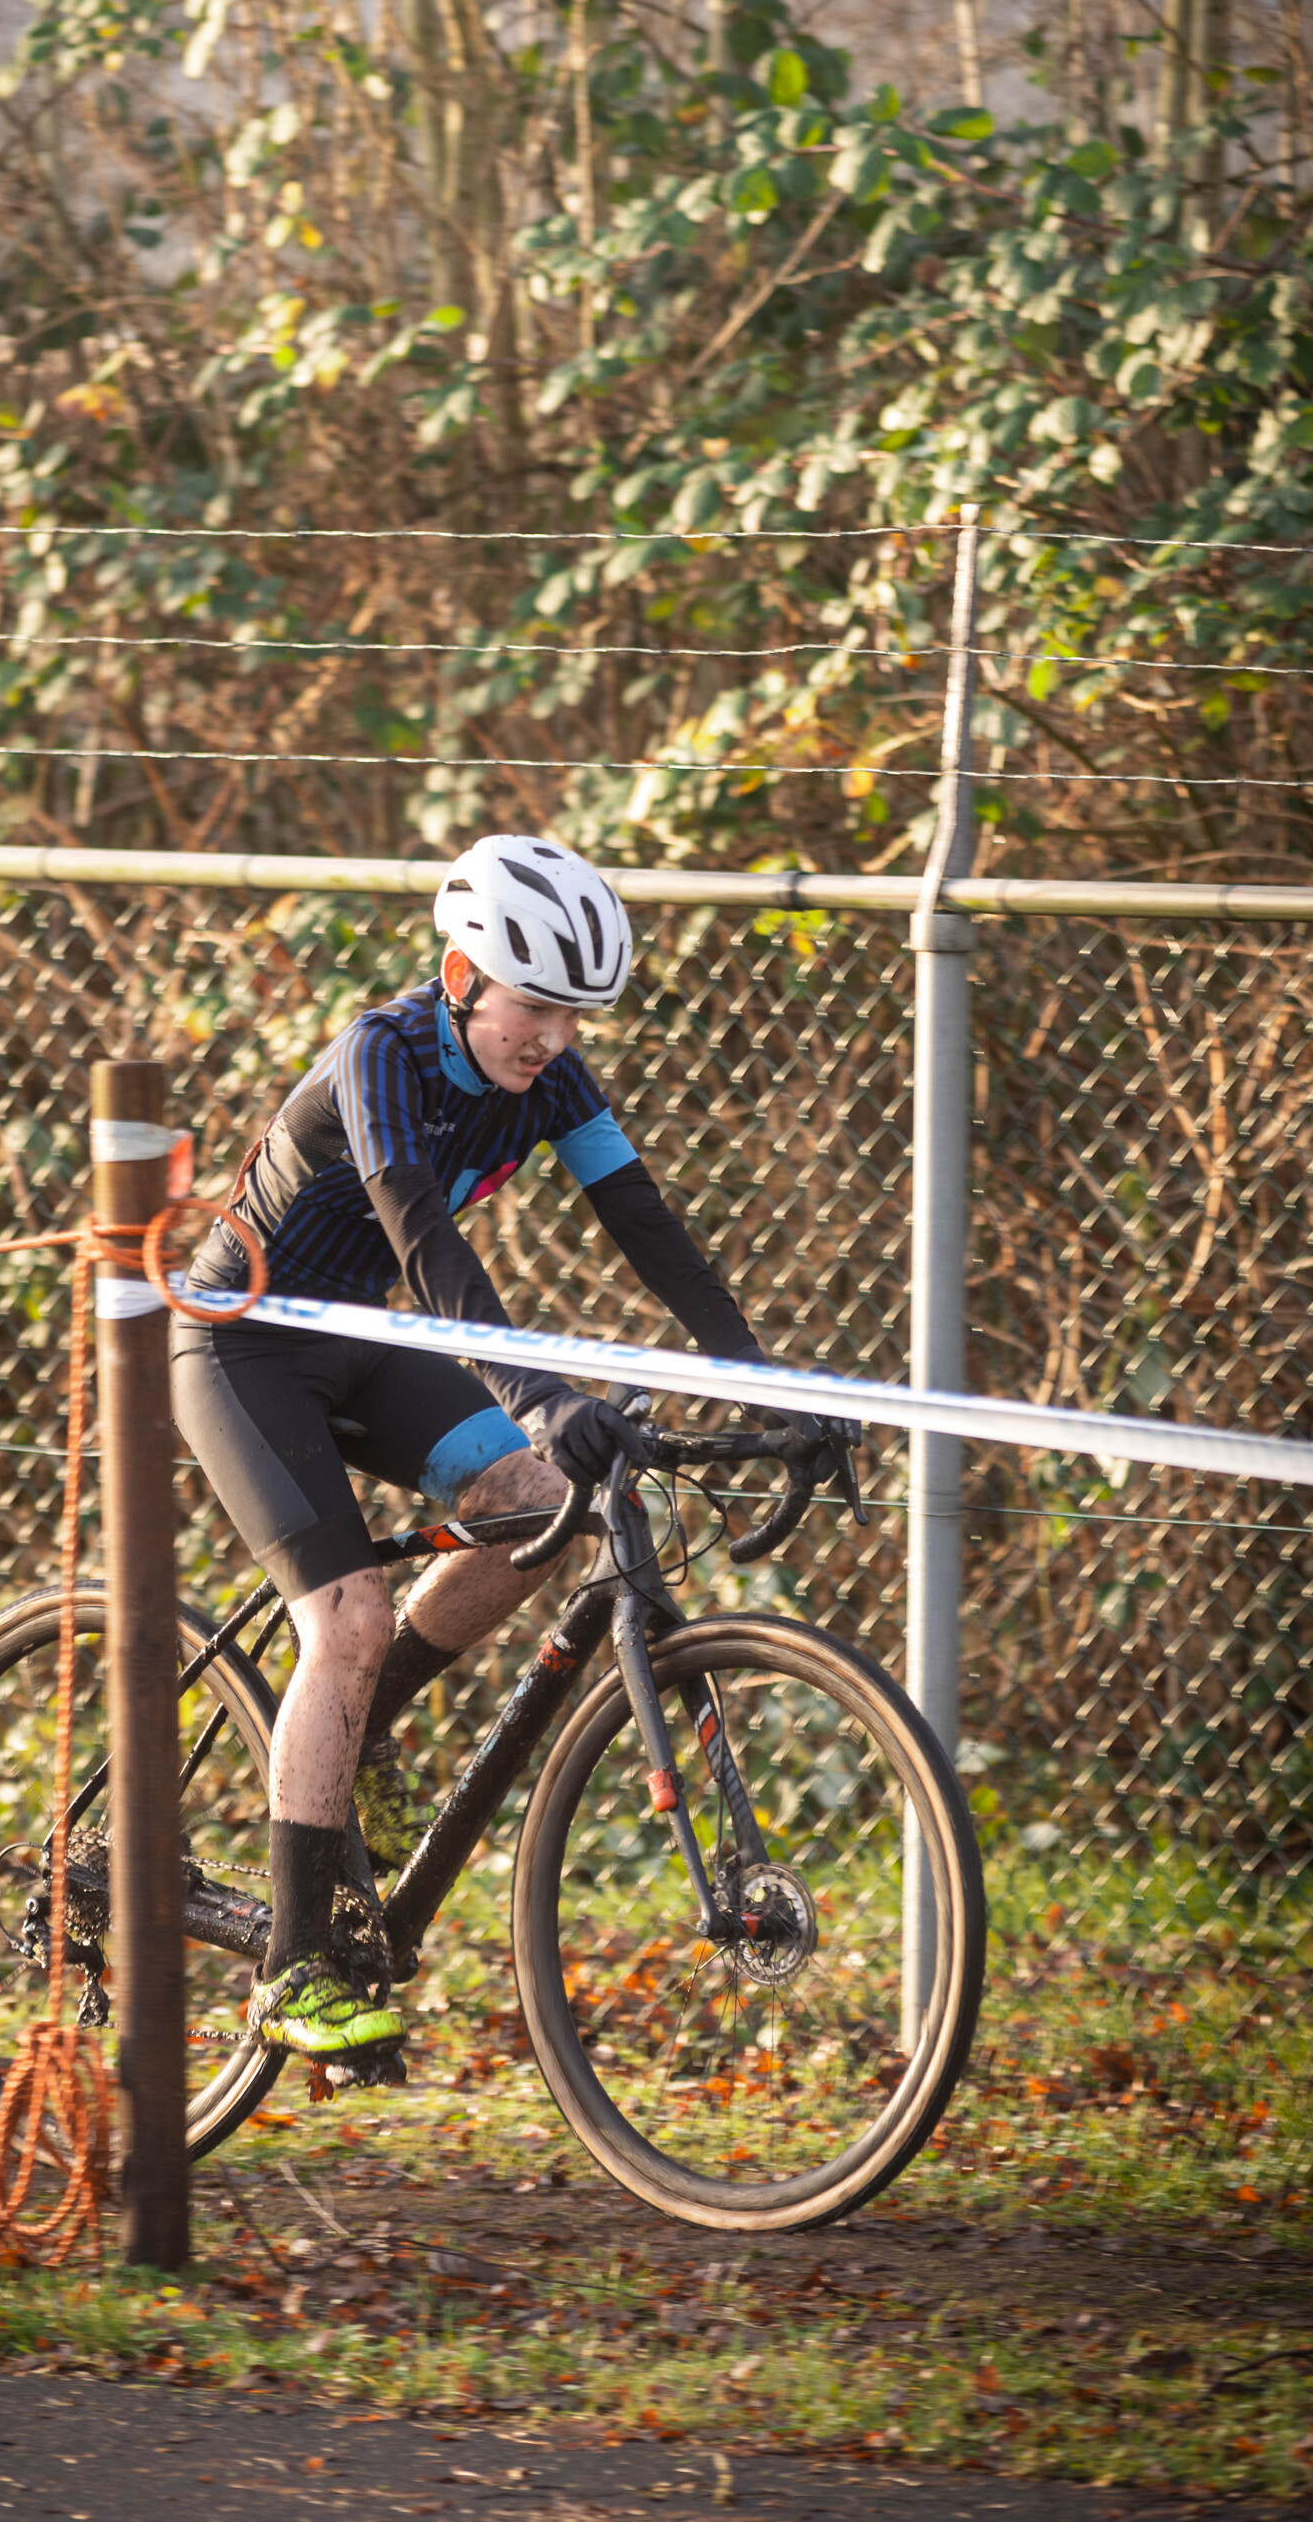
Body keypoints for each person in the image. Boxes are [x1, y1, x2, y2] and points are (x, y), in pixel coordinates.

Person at [172, 834, 772, 2062]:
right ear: (460, 974)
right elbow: (424, 1244)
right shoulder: (378, 1055)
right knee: (342, 1618)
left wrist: (761, 1376)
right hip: (240, 1345)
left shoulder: (551, 1083)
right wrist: (541, 1389)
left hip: (354, 1342)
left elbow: (642, 1220)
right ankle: (290, 1970)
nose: (550, 1039)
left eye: (573, 1015)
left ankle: (362, 1727)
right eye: (534, 1008)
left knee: (536, 1508)